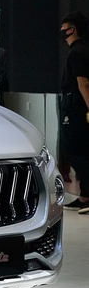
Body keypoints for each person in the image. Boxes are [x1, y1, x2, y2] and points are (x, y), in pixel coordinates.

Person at [58, 11, 89, 213]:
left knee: (73, 151)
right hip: (77, 106)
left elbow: (83, 84)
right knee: (82, 150)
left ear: (72, 29)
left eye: (64, 29)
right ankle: (84, 195)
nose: (61, 32)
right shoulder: (83, 50)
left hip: (75, 108)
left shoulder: (76, 52)